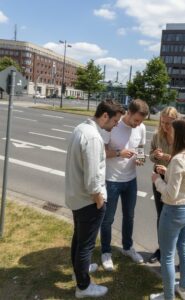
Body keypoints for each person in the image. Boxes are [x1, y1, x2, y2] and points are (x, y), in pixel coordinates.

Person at [65, 100, 125, 298]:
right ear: (105, 116)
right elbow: (92, 178)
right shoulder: (93, 137)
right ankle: (83, 286)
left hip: (77, 196)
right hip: (88, 200)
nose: (116, 125)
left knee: (79, 238)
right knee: (86, 244)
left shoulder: (81, 128)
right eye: (115, 121)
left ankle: (78, 272)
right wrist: (99, 200)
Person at [150, 117, 185, 300]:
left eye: (171, 131)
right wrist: (168, 174)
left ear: (180, 135)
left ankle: (167, 297)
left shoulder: (178, 159)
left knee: (167, 256)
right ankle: (184, 289)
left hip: (175, 211)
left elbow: (169, 195)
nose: (168, 132)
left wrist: (157, 180)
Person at [100, 99, 149, 271]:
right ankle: (105, 252)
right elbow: (102, 152)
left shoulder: (141, 128)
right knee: (108, 219)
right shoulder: (114, 125)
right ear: (128, 112)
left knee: (129, 216)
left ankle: (128, 247)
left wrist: (141, 158)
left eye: (141, 121)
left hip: (131, 180)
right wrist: (120, 153)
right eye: (136, 120)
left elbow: (141, 146)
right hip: (111, 180)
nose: (138, 124)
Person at [148, 106, 179, 264]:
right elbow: (150, 156)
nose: (165, 126)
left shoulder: (181, 137)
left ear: (176, 121)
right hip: (159, 177)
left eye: (169, 123)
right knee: (161, 215)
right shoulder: (156, 135)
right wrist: (154, 155)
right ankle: (161, 249)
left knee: (174, 216)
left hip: (174, 179)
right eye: (163, 122)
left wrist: (166, 157)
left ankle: (171, 250)